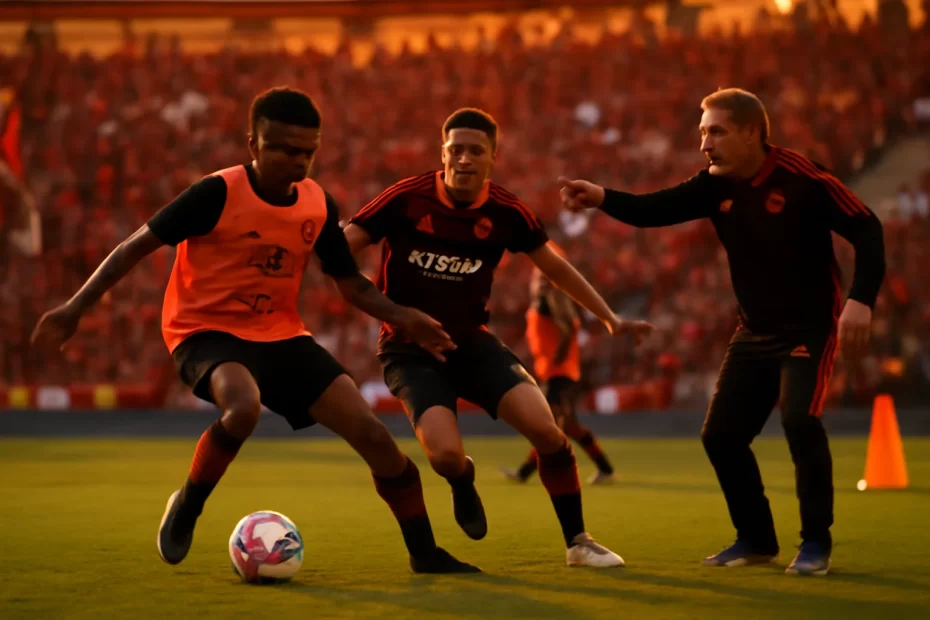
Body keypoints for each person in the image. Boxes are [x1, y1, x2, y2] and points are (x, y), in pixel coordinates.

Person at [31, 87, 479, 575]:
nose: (300, 161)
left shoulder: (317, 205)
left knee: (373, 435)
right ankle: (188, 505)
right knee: (242, 407)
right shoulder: (216, 193)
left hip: (281, 335)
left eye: (309, 151)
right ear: (253, 144)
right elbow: (134, 246)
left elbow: (351, 285)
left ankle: (424, 552)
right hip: (204, 331)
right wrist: (76, 307)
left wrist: (406, 316)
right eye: (286, 149)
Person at [559, 88, 886, 576]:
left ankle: (815, 542)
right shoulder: (714, 185)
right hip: (753, 330)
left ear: (752, 132)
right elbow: (656, 209)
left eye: (716, 131)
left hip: (809, 327)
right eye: (702, 133)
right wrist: (602, 197)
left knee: (799, 420)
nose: (704, 144)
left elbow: (868, 228)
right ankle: (756, 538)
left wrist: (861, 300)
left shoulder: (803, 178)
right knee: (721, 436)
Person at [343, 108, 654, 568]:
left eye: (475, 151)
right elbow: (339, 252)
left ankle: (578, 542)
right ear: (442, 154)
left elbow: (554, 267)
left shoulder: (507, 211)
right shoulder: (406, 199)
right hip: (409, 352)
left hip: (471, 344)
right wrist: (399, 316)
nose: (464, 160)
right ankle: (463, 480)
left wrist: (608, 316)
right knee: (446, 457)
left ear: (493, 157)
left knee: (548, 430)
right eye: (456, 150)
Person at [501, 264, 616, 485]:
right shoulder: (555, 302)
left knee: (548, 427)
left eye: (543, 279)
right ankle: (606, 469)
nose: (540, 283)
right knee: (569, 426)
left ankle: (525, 473)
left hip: (558, 375)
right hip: (563, 374)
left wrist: (558, 355)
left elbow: (566, 330)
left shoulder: (545, 302)